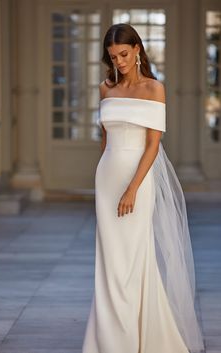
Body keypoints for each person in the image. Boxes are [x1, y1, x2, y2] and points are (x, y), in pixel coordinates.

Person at [82, 23, 204, 353]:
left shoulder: (154, 89)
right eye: (112, 57)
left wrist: (133, 188)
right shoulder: (106, 88)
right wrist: (104, 179)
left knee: (134, 257)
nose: (118, 62)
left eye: (123, 54)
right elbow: (105, 139)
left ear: (137, 49)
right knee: (109, 259)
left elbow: (152, 145)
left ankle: (139, 336)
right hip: (107, 177)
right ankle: (108, 340)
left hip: (138, 179)